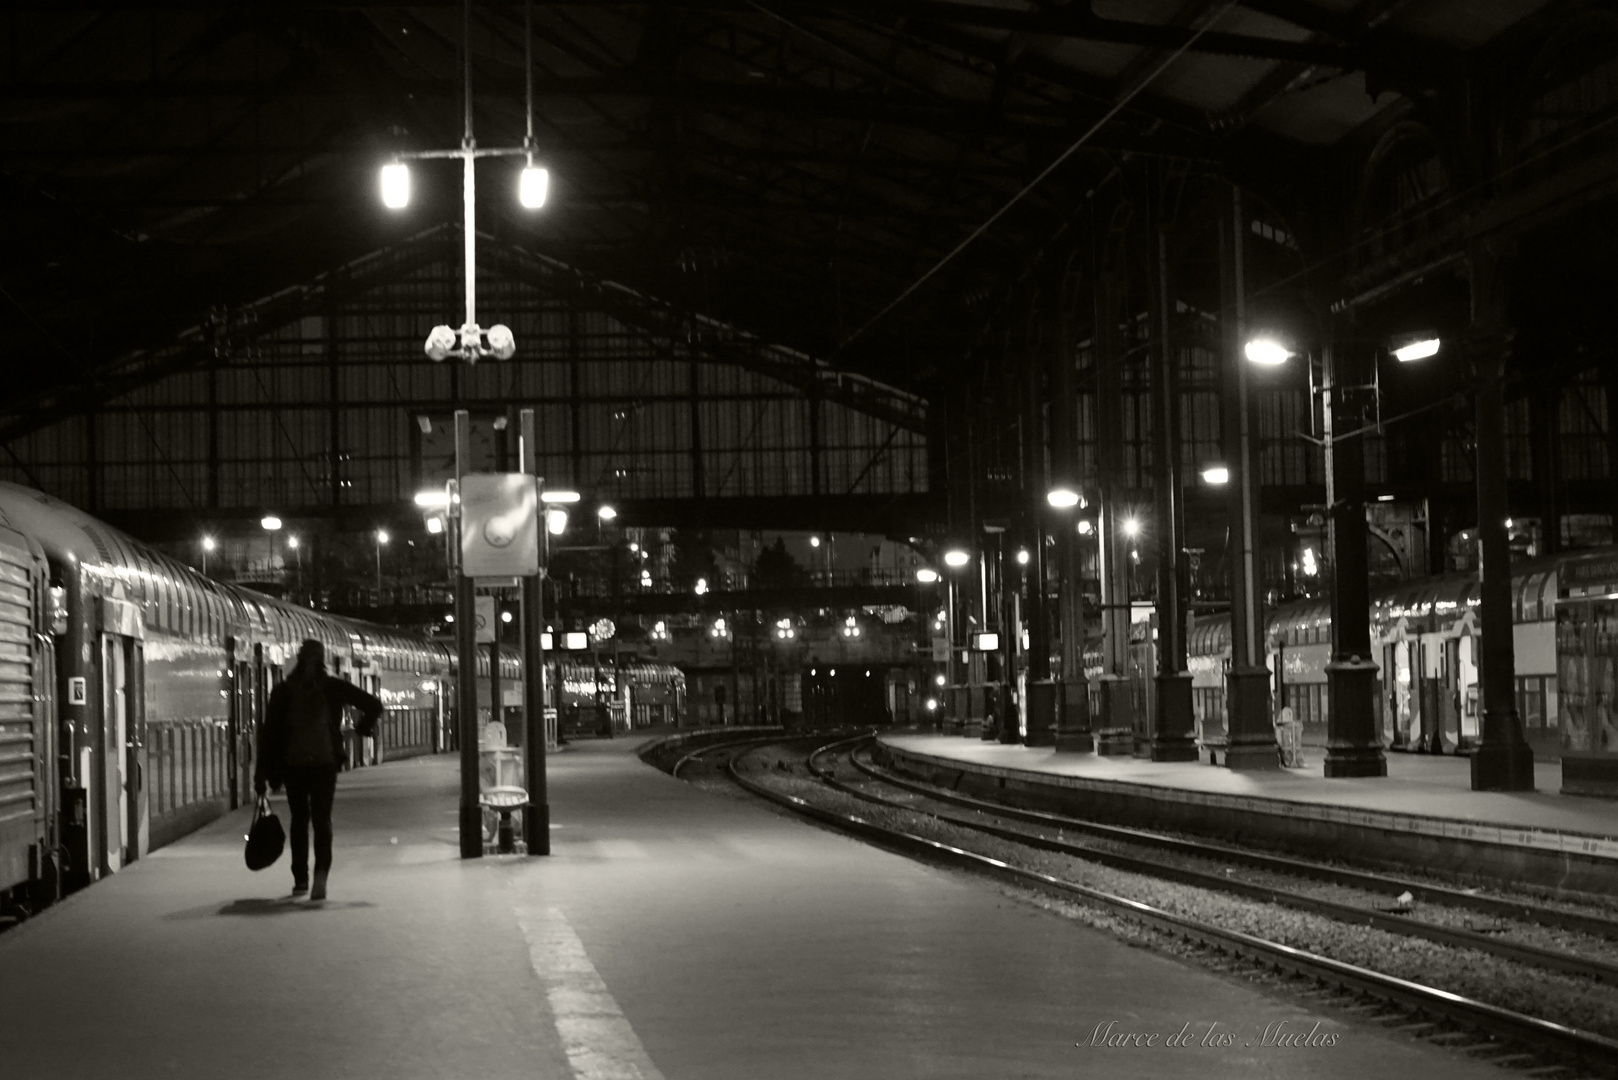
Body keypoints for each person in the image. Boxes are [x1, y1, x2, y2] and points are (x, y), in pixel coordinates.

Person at [254, 639, 383, 900]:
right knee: (322, 821)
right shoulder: (333, 687)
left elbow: (269, 735)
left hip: (293, 765)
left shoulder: (283, 691)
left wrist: (262, 774)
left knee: (299, 821)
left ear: (298, 660)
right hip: (325, 764)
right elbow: (374, 705)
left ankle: (300, 879)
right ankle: (321, 876)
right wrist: (362, 728)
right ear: (323, 659)